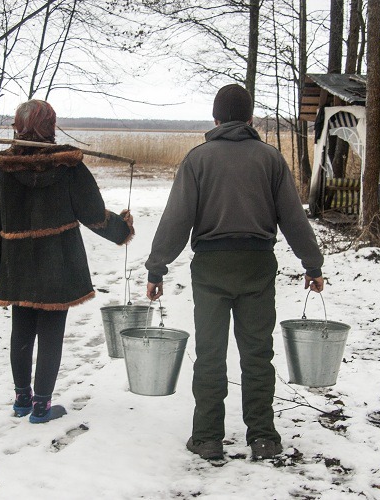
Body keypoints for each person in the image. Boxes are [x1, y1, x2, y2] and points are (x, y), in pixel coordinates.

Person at [144, 84, 324, 460]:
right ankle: (263, 437)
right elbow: (293, 217)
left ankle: (208, 437)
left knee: (210, 353)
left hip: (210, 268)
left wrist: (157, 268)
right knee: (257, 354)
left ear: (215, 118)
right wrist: (313, 264)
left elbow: (177, 219)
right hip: (257, 266)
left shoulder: (198, 159)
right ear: (249, 118)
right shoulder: (271, 159)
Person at [0, 99, 134, 423]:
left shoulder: (6, 167)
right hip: (58, 263)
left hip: (18, 263)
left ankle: (22, 400)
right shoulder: (68, 165)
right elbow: (91, 213)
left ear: (18, 128)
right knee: (50, 332)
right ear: (50, 127)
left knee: (21, 330)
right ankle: (41, 406)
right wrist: (122, 230)